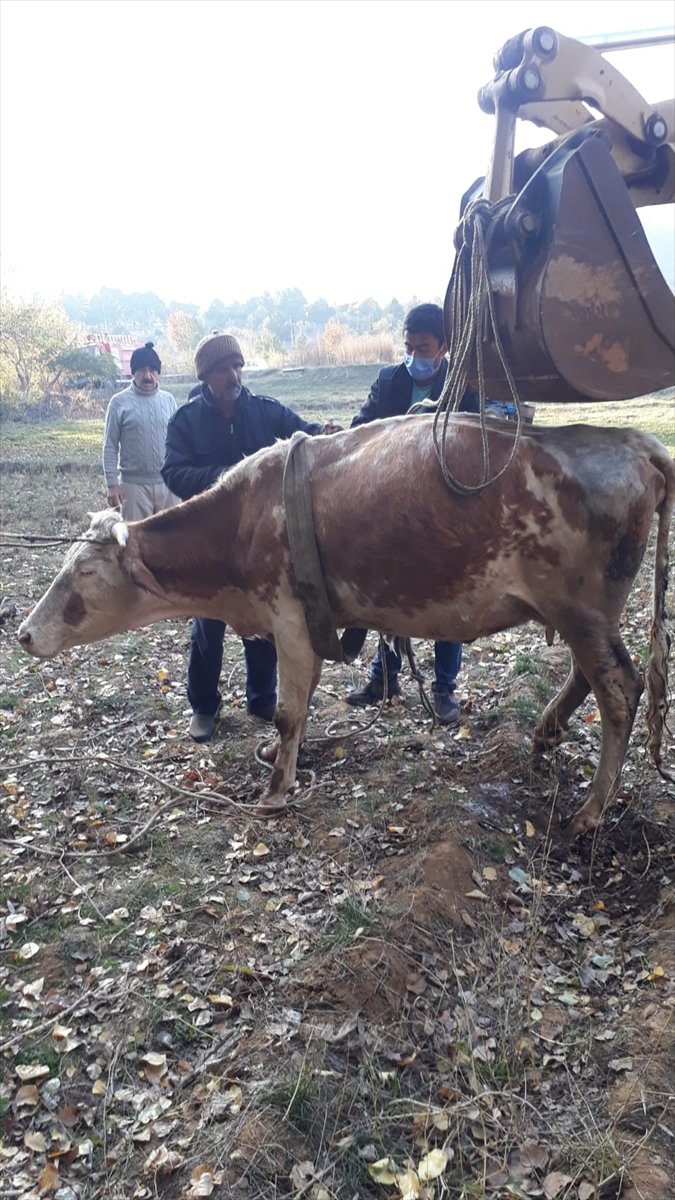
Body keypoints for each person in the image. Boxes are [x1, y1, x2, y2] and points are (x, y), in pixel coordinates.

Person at [162, 330, 338, 743]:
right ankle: (204, 708)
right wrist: (230, 481)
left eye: (237, 366)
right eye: (223, 368)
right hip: (209, 544)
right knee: (208, 627)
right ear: (206, 375)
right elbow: (173, 472)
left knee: (262, 620)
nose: (233, 375)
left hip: (260, 541)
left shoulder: (265, 411)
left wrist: (324, 431)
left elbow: (303, 437)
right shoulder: (185, 421)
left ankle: (261, 697)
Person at [345, 303, 479, 726]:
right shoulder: (390, 381)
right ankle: (384, 676)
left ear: (444, 348)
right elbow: (362, 427)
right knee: (389, 593)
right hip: (392, 509)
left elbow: (476, 442)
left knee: (446, 595)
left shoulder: (465, 385)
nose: (414, 356)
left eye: (423, 348)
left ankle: (444, 687)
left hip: (444, 510)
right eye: (409, 347)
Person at [103, 342, 178, 520]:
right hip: (133, 488)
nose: (147, 376)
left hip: (168, 485)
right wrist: (112, 484)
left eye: (152, 370)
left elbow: (179, 441)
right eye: (142, 370)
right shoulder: (118, 403)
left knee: (173, 541)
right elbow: (110, 446)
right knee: (136, 543)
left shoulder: (168, 400)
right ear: (133, 372)